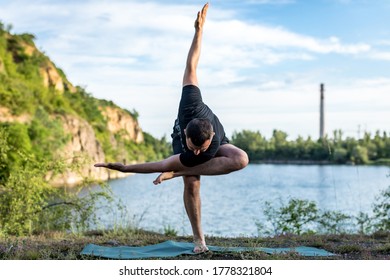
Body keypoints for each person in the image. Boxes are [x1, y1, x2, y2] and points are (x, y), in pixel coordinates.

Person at [94, 3, 248, 253]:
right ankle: (200, 242)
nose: (196, 153)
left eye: (201, 150)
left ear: (209, 141)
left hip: (209, 137)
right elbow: (192, 65)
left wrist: (176, 169)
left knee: (241, 158)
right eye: (193, 149)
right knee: (192, 182)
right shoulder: (190, 104)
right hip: (183, 137)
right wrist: (123, 168)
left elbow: (197, 156)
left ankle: (179, 172)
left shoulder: (212, 144)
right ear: (187, 135)